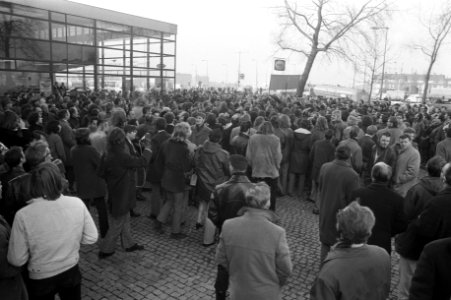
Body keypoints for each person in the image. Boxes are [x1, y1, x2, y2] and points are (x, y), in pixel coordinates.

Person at [7, 162, 98, 300]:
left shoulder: (23, 215)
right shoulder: (76, 203)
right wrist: (70, 239)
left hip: (40, 275)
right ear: (59, 181)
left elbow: (17, 259)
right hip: (70, 269)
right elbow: (91, 237)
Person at [215, 182, 292, 300]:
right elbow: (285, 268)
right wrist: (275, 284)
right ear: (267, 203)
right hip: (267, 294)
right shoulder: (277, 233)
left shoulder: (228, 226)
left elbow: (221, 260)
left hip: (239, 293)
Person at [310, 201, 391, 300]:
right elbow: (384, 290)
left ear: (339, 229)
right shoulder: (382, 254)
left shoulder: (329, 273)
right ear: (369, 230)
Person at [395, 162, 451, 300]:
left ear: (444, 178)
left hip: (417, 251)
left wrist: (415, 222)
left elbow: (420, 226)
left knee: (407, 289)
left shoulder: (435, 200)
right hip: (441, 258)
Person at [97, 128, 151, 258]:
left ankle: (128, 244)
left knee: (125, 218)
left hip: (114, 190)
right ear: (121, 140)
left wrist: (114, 178)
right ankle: (106, 249)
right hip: (122, 193)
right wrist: (148, 150)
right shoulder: (121, 155)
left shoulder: (107, 153)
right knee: (117, 223)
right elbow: (142, 162)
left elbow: (100, 173)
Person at [351, 162, 406, 254]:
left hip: (359, 243)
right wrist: (388, 231)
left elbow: (350, 217)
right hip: (382, 245)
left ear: (372, 176)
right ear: (388, 178)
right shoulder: (397, 199)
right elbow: (402, 225)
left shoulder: (357, 194)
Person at [318, 145, 360, 262]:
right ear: (349, 156)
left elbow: (320, 187)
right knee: (341, 248)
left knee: (325, 244)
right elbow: (353, 202)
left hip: (326, 210)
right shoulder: (352, 175)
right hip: (342, 216)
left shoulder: (325, 167)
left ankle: (323, 270)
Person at [154, 122, 193, 239]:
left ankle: (159, 222)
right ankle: (175, 232)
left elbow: (158, 162)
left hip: (166, 177)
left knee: (169, 201)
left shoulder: (165, 143)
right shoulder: (185, 148)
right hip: (178, 180)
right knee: (178, 206)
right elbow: (187, 167)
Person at [71, 128, 109, 238]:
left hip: (82, 183)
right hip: (95, 183)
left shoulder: (74, 149)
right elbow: (99, 164)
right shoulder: (90, 150)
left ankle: (85, 231)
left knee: (84, 210)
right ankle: (104, 231)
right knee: (101, 209)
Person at [194, 128, 230, 232]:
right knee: (213, 205)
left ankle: (199, 220)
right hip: (217, 182)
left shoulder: (200, 149)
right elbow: (227, 169)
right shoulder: (223, 153)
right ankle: (209, 227)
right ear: (220, 139)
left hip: (202, 180)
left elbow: (196, 163)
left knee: (203, 201)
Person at [246, 121, 282, 211]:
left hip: (257, 170)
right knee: (272, 194)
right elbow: (278, 156)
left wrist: (253, 165)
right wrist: (277, 166)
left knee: (256, 194)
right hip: (272, 171)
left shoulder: (253, 138)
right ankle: (271, 213)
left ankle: (256, 211)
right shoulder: (275, 139)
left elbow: (248, 156)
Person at [146, 117, 171, 219]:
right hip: (166, 168)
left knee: (155, 193)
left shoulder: (155, 138)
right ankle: (165, 213)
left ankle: (155, 213)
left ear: (156, 125)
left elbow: (153, 154)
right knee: (165, 193)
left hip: (156, 168)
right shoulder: (169, 136)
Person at [310, 129, 335, 214]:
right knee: (321, 188)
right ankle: (317, 207)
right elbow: (331, 160)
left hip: (315, 167)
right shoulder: (332, 147)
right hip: (324, 169)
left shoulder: (317, 143)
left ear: (324, 135)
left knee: (315, 186)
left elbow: (311, 155)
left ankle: (313, 198)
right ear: (332, 137)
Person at [288, 119, 312, 198]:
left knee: (292, 173)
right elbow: (309, 147)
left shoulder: (294, 133)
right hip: (304, 156)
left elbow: (291, 145)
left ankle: (290, 191)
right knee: (302, 175)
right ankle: (300, 192)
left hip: (294, 154)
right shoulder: (309, 135)